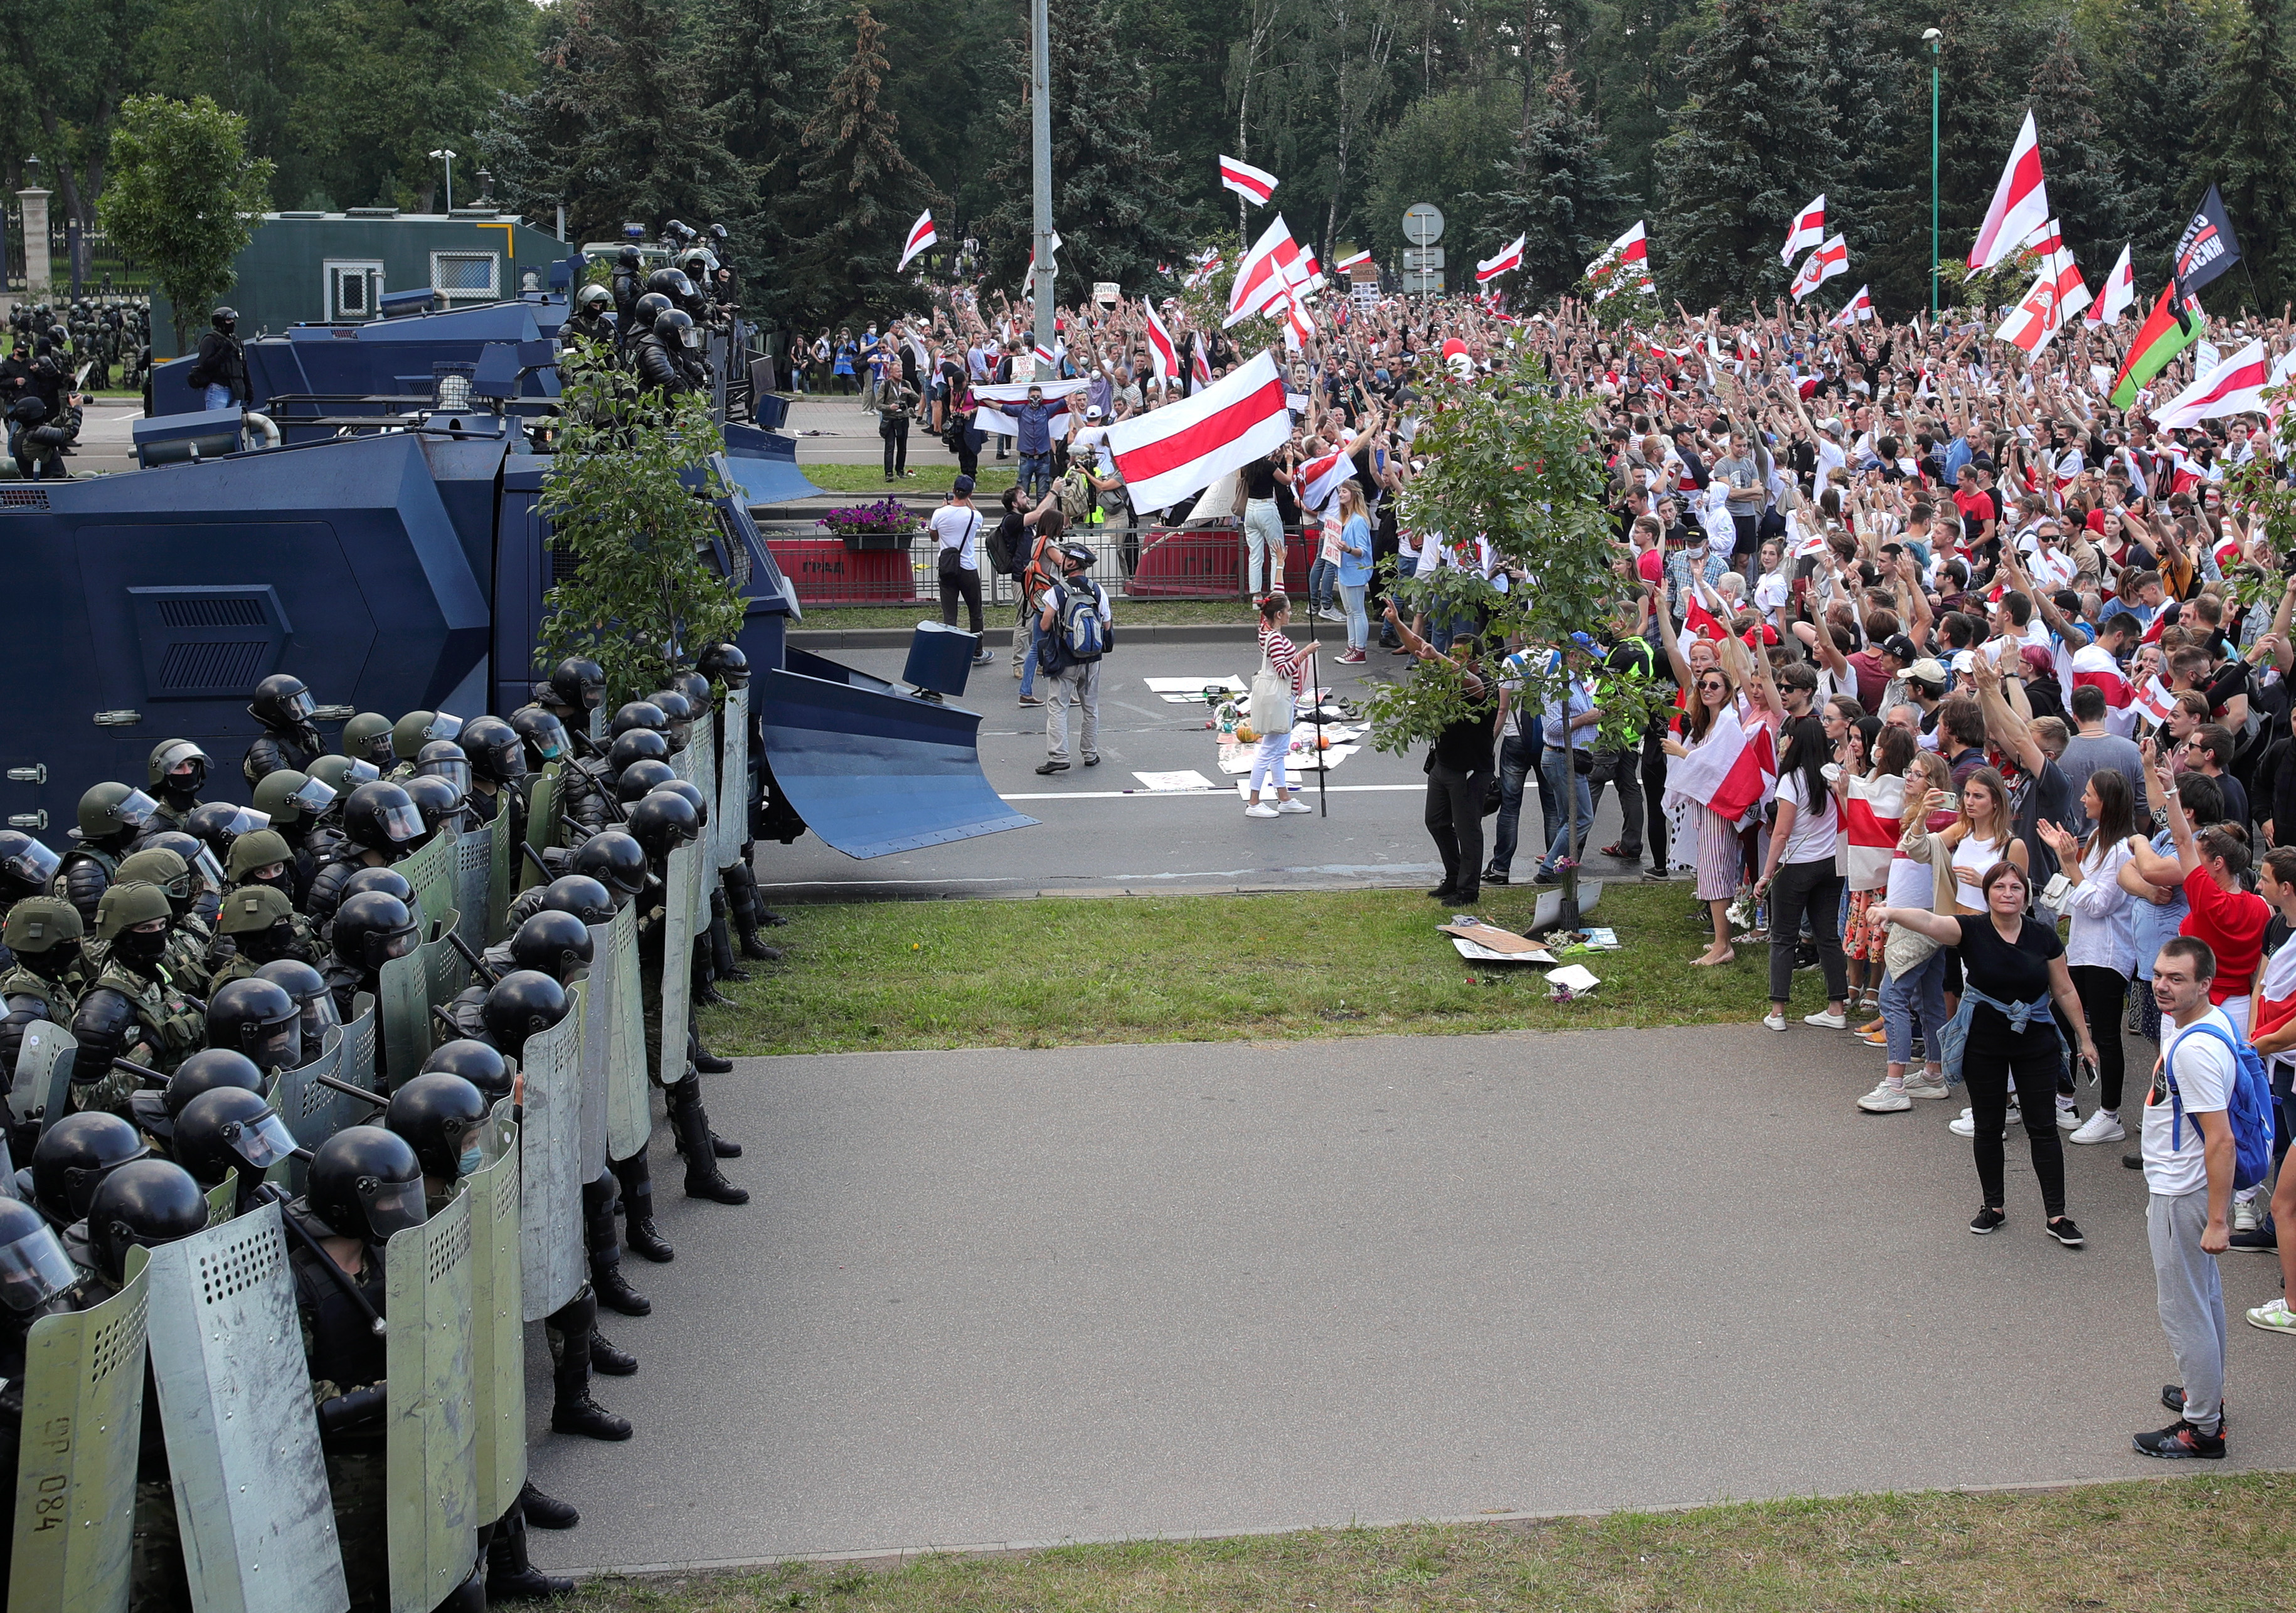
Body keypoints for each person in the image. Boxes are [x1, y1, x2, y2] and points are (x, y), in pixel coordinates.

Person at [1873, 861, 2095, 1247]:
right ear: (1987, 894)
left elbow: (2065, 990)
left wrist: (2085, 1040)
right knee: (1988, 1125)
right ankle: (1994, 1206)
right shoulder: (1970, 930)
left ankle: (2057, 1216)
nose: (2008, 894)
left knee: (2042, 1127)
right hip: (1984, 1043)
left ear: (2026, 895)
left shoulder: (2043, 936)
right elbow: (1927, 922)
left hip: (2035, 1040)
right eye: (2000, 888)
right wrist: (1889, 911)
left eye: (2016, 888)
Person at [2134, 936, 2236, 1459]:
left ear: (2204, 983)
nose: (2162, 987)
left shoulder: (2194, 1049)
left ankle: (2202, 1429)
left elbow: (2221, 1140)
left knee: (2183, 1308)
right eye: (2158, 975)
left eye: (2177, 979)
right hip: (2182, 1184)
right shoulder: (2200, 1026)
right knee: (2205, 1298)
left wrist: (2218, 1221)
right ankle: (2208, 1394)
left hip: (2183, 1190)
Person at [2035, 768, 2140, 1144]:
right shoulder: (2096, 838)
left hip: (2108, 955)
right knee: (2062, 1024)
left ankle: (2111, 1114)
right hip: (2080, 950)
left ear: (2107, 803)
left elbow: (2098, 904)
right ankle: (2064, 1100)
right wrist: (2066, 860)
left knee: (2107, 1036)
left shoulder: (2122, 849)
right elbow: (2081, 891)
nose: (2083, 798)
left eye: (2090, 794)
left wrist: (2070, 863)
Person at [1385, 600, 1494, 903]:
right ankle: (1454, 875)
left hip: (1471, 770)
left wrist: (1442, 660)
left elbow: (1473, 686)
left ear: (1475, 660)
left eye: (1460, 656)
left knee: (1468, 829)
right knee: (1436, 821)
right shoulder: (1448, 672)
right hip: (1444, 765)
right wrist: (1396, 622)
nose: (1453, 659)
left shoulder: (1485, 681)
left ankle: (1468, 890)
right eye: (1452, 653)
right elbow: (1419, 645)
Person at [1755, 713, 1849, 1031]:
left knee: (1783, 937)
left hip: (1796, 864)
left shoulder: (1791, 780)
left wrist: (1766, 875)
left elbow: (1781, 833)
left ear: (1794, 742)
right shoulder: (1834, 774)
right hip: (1831, 864)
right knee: (1828, 936)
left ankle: (1778, 1011)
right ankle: (1837, 1007)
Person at [1037, 542, 1109, 775]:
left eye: (1066, 557)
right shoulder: (1097, 590)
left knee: (1058, 706)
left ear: (1072, 563)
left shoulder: (1057, 591)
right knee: (1090, 706)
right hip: (1092, 660)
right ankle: (1090, 754)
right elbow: (1106, 625)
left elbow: (1045, 624)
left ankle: (1059, 756)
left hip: (1066, 659)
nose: (1062, 559)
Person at [1246, 593, 1316, 818]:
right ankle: (1254, 802)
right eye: (1288, 610)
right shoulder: (1275, 639)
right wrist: (1305, 653)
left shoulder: (1266, 630)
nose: (1291, 614)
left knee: (1277, 752)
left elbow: (1278, 592)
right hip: (1280, 698)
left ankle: (1283, 797)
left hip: (1285, 698)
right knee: (1268, 751)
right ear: (1278, 615)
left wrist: (1280, 563)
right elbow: (1284, 671)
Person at [931, 476, 993, 657]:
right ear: (970, 494)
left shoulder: (939, 513)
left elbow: (934, 537)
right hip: (967, 568)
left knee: (950, 615)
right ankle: (977, 651)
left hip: (946, 568)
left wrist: (945, 508)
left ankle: (950, 653)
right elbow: (978, 517)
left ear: (953, 490)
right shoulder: (974, 516)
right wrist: (969, 502)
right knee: (975, 611)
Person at [1332, 480, 1374, 664]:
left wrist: (1348, 549)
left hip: (1354, 570)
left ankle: (1360, 649)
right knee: (1350, 611)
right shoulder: (1345, 517)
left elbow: (1362, 550)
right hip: (1344, 569)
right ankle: (1352, 646)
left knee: (1357, 611)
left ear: (1354, 494)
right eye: (1340, 491)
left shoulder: (1358, 520)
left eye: (1344, 491)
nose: (1341, 494)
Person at [189, 306, 248, 413]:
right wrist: (223, 352)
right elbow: (205, 365)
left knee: (233, 427)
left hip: (236, 390)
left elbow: (243, 366)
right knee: (217, 427)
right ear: (220, 322)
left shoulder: (236, 341)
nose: (232, 323)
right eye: (229, 320)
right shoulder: (210, 340)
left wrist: (248, 388)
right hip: (218, 389)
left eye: (233, 320)